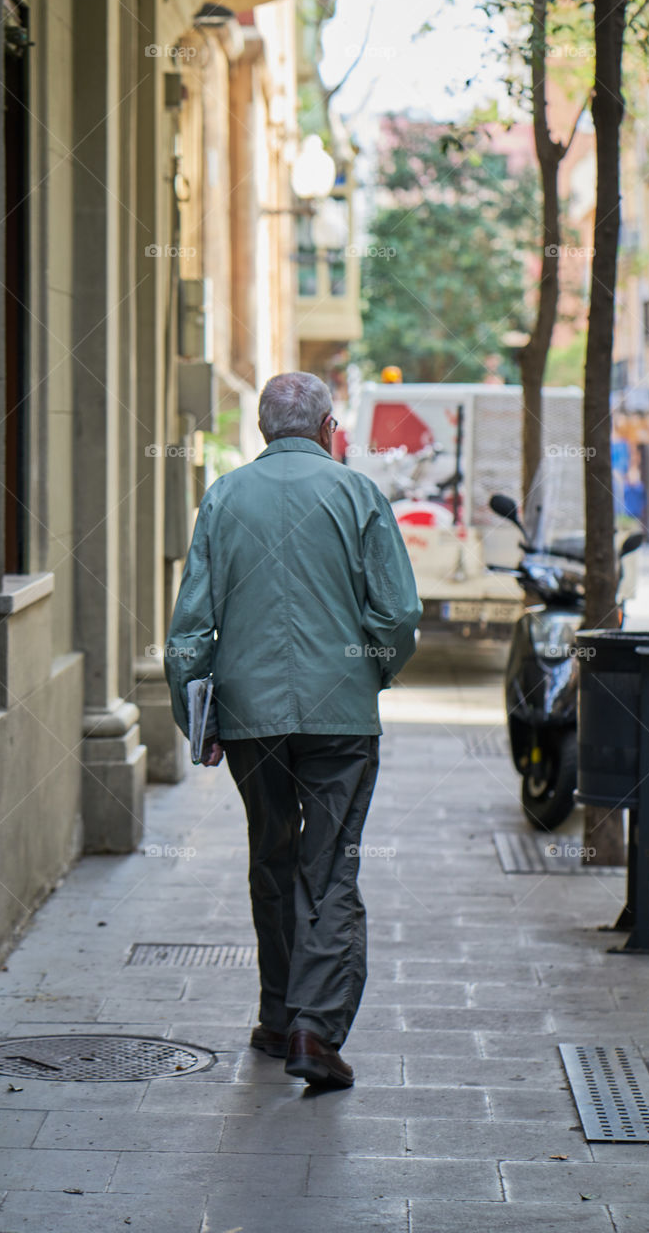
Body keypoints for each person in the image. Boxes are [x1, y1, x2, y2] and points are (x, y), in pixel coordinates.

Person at [165, 371, 421, 1089]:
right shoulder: (357, 493)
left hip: (251, 719)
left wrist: (196, 713)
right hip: (340, 716)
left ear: (260, 431)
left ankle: (278, 1017)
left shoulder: (223, 496)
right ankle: (314, 1029)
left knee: (270, 858)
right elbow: (396, 616)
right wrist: (372, 670)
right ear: (328, 427)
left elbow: (189, 630)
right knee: (330, 866)